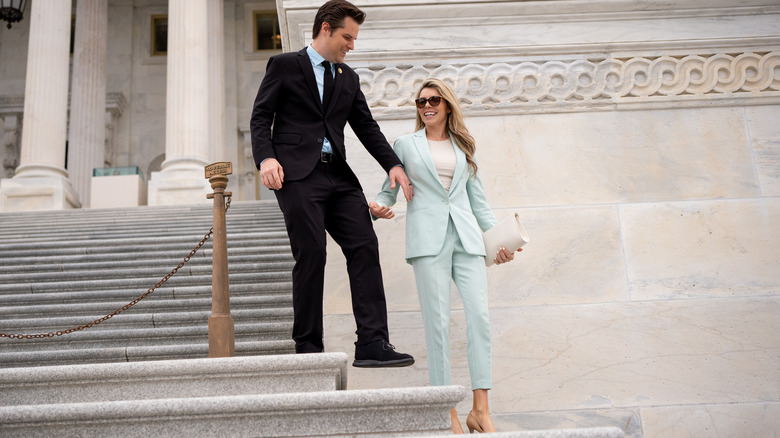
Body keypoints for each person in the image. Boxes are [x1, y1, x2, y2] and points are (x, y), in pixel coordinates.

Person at [250, 0, 415, 367]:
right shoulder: (284, 65)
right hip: (296, 175)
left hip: (338, 176)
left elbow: (366, 127)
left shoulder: (348, 78)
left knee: (364, 246)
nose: (351, 46)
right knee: (312, 253)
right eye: (347, 37)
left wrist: (393, 165)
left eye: (354, 39)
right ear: (325, 27)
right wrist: (266, 158)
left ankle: (373, 343)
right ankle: (308, 348)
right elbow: (261, 117)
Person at [370, 78, 521, 433]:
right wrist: (380, 207)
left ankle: (480, 410)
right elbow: (390, 188)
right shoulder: (405, 145)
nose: (426, 106)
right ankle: (446, 411)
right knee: (437, 324)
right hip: (427, 241)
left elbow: (479, 205)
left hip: (467, 239)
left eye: (433, 100)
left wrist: (501, 243)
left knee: (479, 318)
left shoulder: (463, 147)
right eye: (421, 102)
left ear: (447, 105)